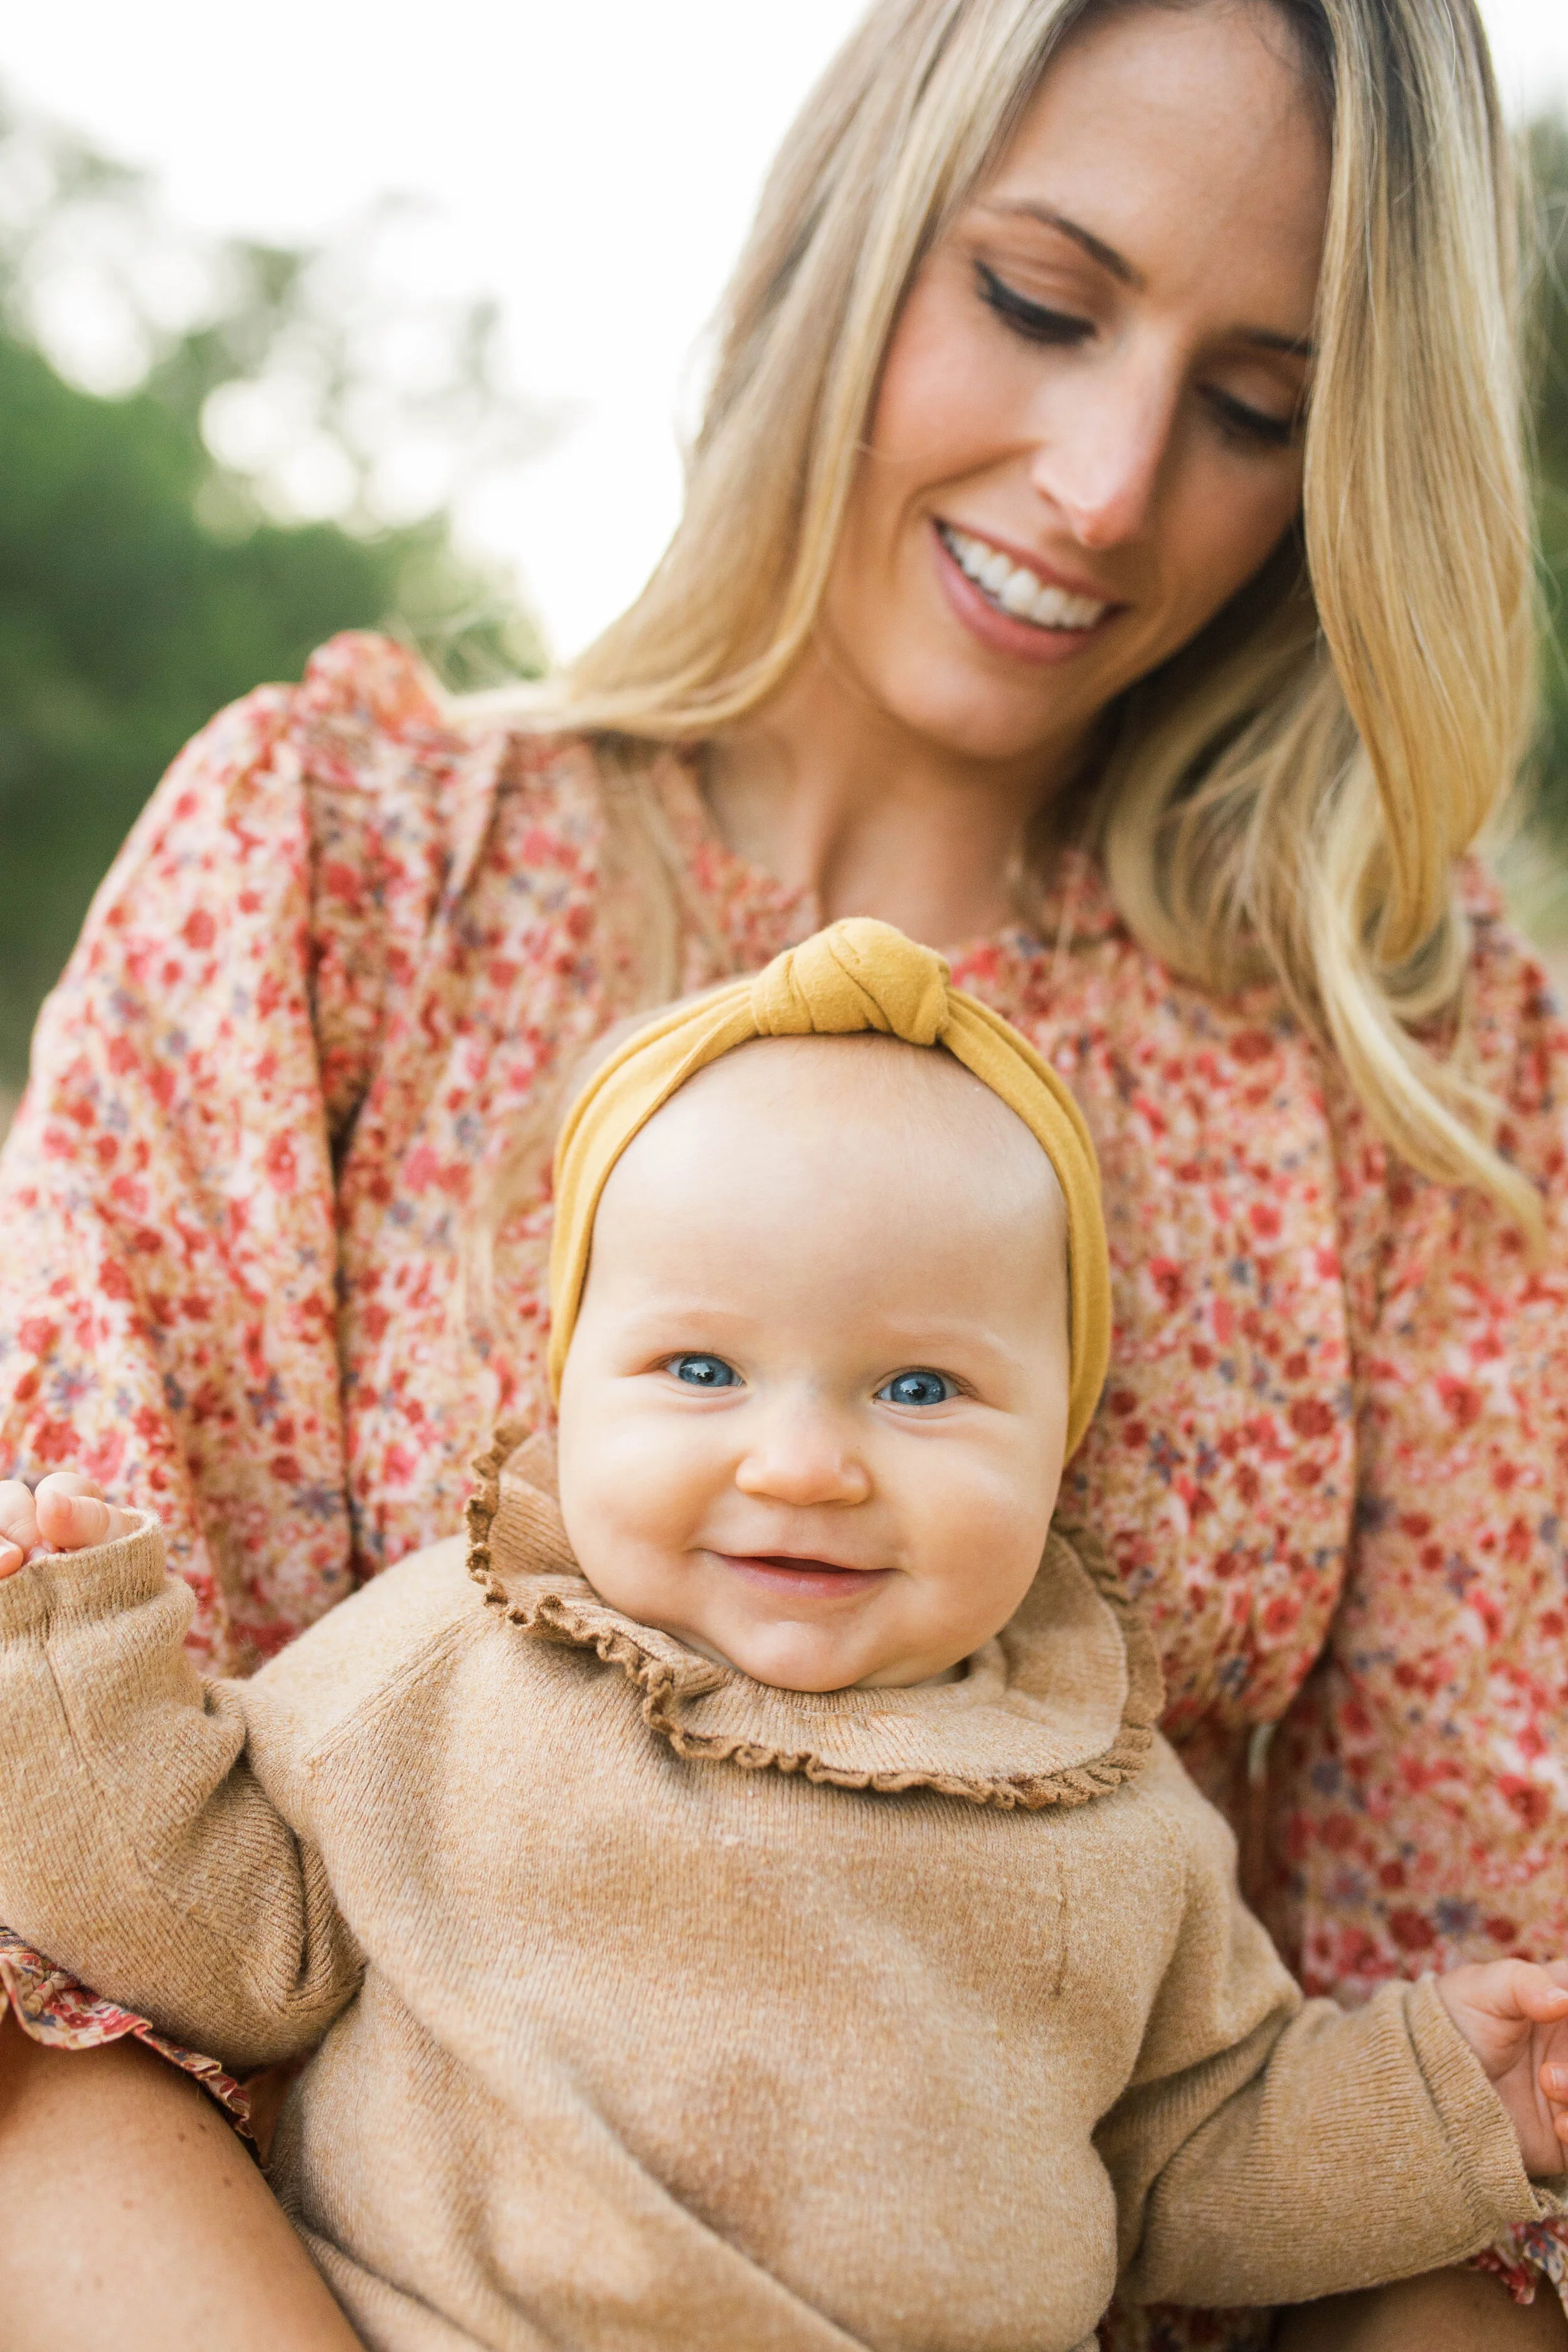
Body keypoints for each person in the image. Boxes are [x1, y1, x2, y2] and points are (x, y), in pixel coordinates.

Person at [0, 0, 1564, 2346]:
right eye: (1039, 302)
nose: (1112, 484)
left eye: (1260, 407)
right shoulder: (329, 866)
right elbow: (68, 1961)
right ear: (842, 237)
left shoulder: (1422, 1078)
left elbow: (1449, 2138)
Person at [2, 919, 1567, 2352]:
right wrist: (56, 1648)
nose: (802, 1465)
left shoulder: (1101, 1804)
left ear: (1059, 1444)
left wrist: (1446, 2100)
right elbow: (218, 1931)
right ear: (567, 1388)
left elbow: (1193, 2156)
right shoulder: (457, 1664)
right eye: (697, 1369)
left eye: (916, 1390)